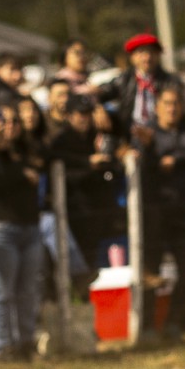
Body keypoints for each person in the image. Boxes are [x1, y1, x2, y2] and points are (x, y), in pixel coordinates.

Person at [135, 84, 185, 335]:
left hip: (183, 211)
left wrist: (177, 159)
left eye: (176, 103)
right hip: (155, 213)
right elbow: (140, 166)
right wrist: (150, 151)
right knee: (150, 272)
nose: (172, 108)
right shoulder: (147, 134)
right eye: (166, 103)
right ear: (157, 108)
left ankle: (173, 323)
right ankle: (147, 327)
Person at [0, 100, 47, 361]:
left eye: (15, 121)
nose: (10, 126)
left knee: (28, 291)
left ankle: (26, 342)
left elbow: (46, 155)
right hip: (3, 230)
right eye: (4, 121)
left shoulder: (27, 149)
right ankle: (3, 347)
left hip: (30, 227)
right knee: (1, 291)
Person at [44, 94, 122, 277]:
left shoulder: (98, 136)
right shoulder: (61, 141)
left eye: (88, 114)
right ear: (69, 116)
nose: (85, 118)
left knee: (96, 258)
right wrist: (88, 164)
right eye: (80, 114)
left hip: (98, 208)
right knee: (77, 261)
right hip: (74, 210)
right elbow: (59, 171)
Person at [101, 33, 177, 139]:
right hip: (130, 136)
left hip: (160, 137)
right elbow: (101, 93)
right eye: (141, 52)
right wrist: (98, 108)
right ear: (132, 57)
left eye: (151, 52)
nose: (147, 57)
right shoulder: (124, 79)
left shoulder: (170, 81)